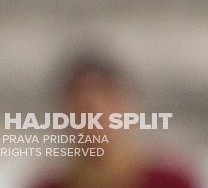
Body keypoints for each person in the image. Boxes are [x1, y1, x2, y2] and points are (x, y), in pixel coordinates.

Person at [28, 53, 199, 188]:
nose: (93, 121)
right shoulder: (46, 185)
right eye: (82, 109)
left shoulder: (171, 182)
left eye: (106, 101)